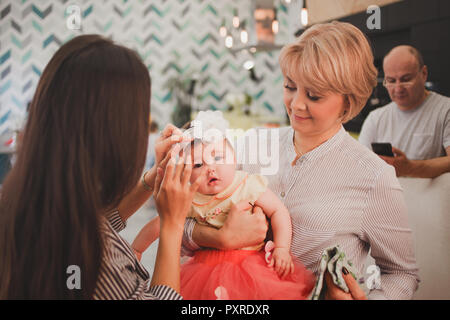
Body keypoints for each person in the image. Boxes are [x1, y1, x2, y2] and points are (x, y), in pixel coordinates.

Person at [182, 22, 420, 300]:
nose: (295, 104)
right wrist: (217, 238)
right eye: (290, 87)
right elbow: (183, 222)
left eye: (314, 95)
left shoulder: (373, 177)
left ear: (349, 102)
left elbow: (402, 273)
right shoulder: (250, 145)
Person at [0, 34, 205, 299]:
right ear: (114, 136)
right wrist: (172, 225)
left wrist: (150, 181)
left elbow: (98, 223)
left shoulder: (21, 202)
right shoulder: (96, 266)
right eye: (141, 119)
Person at [132, 111, 315, 300]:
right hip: (204, 269)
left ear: (234, 159)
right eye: (197, 165)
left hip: (252, 265)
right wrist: (136, 249)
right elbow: (160, 222)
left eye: (218, 158)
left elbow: (278, 211)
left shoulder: (246, 184)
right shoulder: (191, 197)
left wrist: (282, 248)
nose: (210, 167)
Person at [359, 45, 450, 178]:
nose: (398, 88)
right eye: (391, 81)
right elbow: (360, 164)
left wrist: (411, 168)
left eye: (406, 79)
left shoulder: (445, 110)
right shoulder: (376, 118)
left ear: (423, 74)